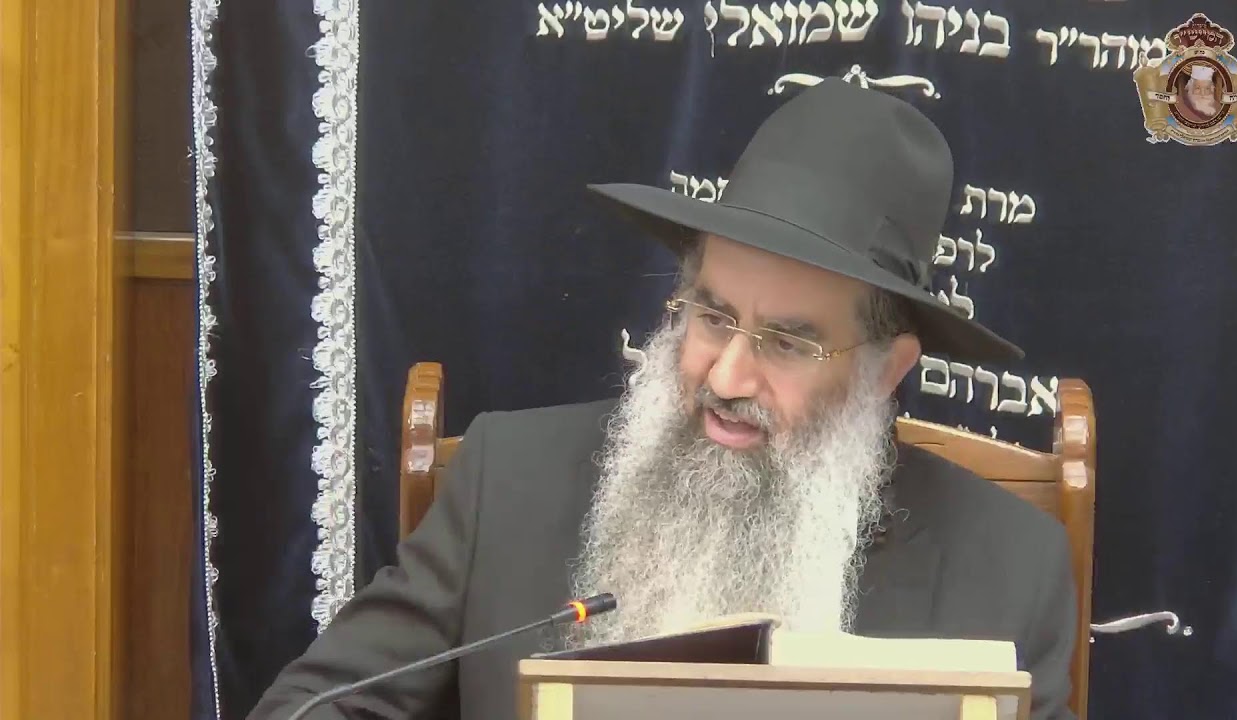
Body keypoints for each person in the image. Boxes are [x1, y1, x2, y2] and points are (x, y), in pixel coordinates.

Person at [249, 79, 1077, 720]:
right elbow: (309, 709)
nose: (725, 378)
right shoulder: (507, 485)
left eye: (787, 343)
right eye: (713, 316)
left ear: (885, 370)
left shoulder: (1009, 571)